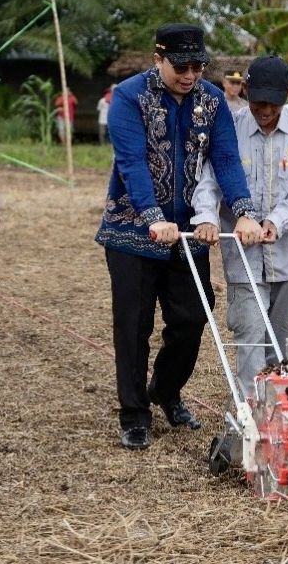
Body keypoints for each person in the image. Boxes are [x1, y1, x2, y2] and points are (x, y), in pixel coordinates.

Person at [96, 23, 264, 451]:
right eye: (181, 66)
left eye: (197, 65)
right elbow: (130, 162)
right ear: (159, 59)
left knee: (193, 316)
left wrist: (244, 212)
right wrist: (152, 216)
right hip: (133, 229)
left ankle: (165, 390)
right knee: (134, 324)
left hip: (187, 230)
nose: (190, 75)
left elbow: (225, 157)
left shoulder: (211, 100)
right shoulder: (130, 96)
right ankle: (134, 413)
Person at [193, 55, 288, 396]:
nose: (264, 110)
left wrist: (274, 222)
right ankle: (249, 416)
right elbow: (209, 180)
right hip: (244, 256)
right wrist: (206, 216)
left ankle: (276, 412)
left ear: (287, 94)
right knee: (248, 334)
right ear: (246, 91)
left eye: (273, 102)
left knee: (280, 345)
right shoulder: (229, 128)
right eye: (257, 101)